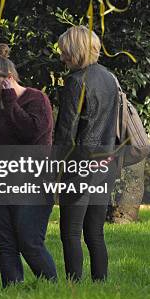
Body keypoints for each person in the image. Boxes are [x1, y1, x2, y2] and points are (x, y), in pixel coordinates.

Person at [0, 43, 57, 286]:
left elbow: (30, 134)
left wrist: (10, 101)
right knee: (7, 245)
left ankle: (52, 289)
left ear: (9, 79)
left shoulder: (36, 100)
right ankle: (12, 294)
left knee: (29, 242)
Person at [54, 26, 119, 282]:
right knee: (95, 232)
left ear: (75, 51)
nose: (61, 58)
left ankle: (74, 285)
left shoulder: (75, 81)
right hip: (105, 162)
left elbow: (66, 132)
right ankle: (100, 282)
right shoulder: (109, 77)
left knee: (70, 232)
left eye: (65, 52)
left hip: (80, 163)